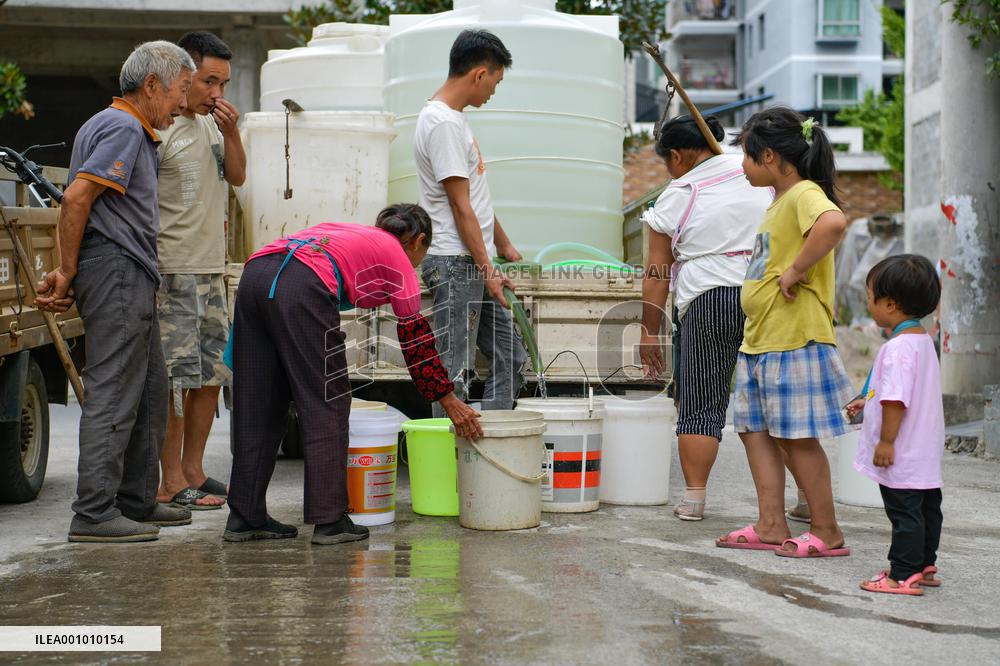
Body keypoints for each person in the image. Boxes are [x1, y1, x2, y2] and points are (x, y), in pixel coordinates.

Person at [225, 204, 483, 545]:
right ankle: (330, 520)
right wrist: (449, 400)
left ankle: (245, 515)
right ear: (419, 241)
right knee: (327, 400)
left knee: (260, 402)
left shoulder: (347, 230)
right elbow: (416, 341)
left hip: (256, 274)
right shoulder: (398, 258)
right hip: (302, 282)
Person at [34, 42, 196, 542]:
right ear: (152, 86)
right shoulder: (124, 127)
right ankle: (94, 513)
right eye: (181, 90)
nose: (183, 104)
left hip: (129, 271)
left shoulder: (118, 125)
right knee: (114, 392)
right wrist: (66, 270)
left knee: (148, 390)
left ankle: (134, 500)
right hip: (117, 269)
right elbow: (76, 198)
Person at [716, 107, 854, 557]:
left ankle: (827, 531)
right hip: (761, 339)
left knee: (795, 437)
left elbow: (832, 224)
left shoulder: (803, 194)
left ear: (771, 156)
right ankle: (771, 524)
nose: (742, 165)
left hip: (793, 338)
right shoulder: (779, 201)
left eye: (748, 157)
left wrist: (796, 271)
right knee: (755, 433)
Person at [639, 115, 772, 521]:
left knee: (701, 401)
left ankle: (694, 498)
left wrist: (649, 332)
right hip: (766, 296)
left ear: (677, 156)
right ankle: (803, 497)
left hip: (709, 299)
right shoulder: (758, 174)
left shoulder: (678, 192)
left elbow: (657, 272)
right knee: (777, 403)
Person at [154, 32, 247, 511]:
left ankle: (194, 468)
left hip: (212, 269)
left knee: (211, 375)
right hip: (173, 271)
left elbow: (237, 177)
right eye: (209, 81)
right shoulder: (160, 129)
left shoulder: (213, 126)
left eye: (224, 84)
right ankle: (168, 481)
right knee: (175, 379)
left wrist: (231, 133)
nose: (217, 94)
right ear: (183, 78)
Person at [415, 29, 526, 414]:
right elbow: (460, 208)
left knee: (511, 358)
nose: (494, 90)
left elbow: (476, 198)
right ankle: (449, 464)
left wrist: (503, 246)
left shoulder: (455, 121)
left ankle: (487, 447)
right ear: (479, 74)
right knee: (453, 370)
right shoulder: (442, 124)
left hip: (472, 263)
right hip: (454, 262)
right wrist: (487, 269)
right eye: (495, 81)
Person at [846, 255, 944, 595]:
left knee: (904, 515)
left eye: (870, 296)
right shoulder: (922, 342)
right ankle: (924, 564)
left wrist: (885, 442)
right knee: (928, 510)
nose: (868, 303)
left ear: (890, 304)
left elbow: (895, 400)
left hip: (901, 451)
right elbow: (894, 390)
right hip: (924, 452)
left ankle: (901, 575)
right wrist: (865, 399)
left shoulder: (898, 348)